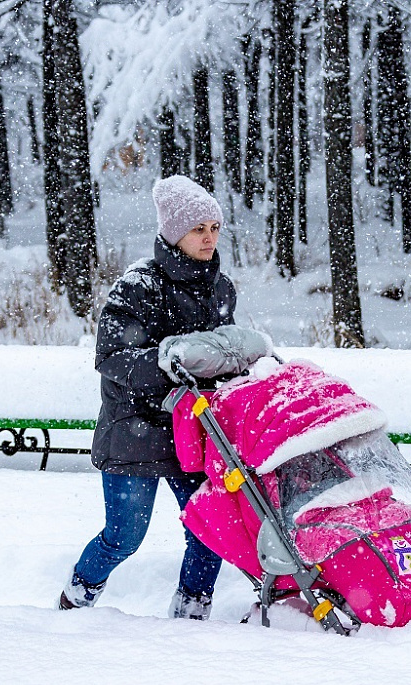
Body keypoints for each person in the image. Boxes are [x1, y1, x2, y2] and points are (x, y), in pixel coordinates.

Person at [60, 175, 266, 619]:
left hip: (195, 434)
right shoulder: (139, 286)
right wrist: (170, 363)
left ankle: (191, 615)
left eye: (214, 227)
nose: (209, 237)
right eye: (198, 229)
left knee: (212, 530)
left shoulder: (220, 288)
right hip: (136, 429)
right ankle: (76, 599)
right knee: (124, 536)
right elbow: (111, 356)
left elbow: (221, 355)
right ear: (174, 233)